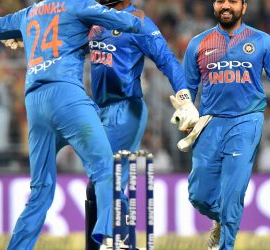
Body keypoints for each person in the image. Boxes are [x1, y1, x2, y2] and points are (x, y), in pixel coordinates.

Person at [0, 1, 144, 249]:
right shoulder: (78, 5)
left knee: (41, 189)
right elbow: (128, 22)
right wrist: (135, 18)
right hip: (67, 98)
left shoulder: (28, 13)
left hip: (35, 103)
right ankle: (112, 239)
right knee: (105, 168)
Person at [181, 0, 270, 249]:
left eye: (233, 1)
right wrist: (186, 114)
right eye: (220, 1)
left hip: (246, 121)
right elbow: (187, 89)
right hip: (209, 123)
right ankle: (222, 219)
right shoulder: (198, 43)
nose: (226, 6)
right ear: (214, 6)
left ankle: (226, 244)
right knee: (199, 196)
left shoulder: (262, 41)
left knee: (233, 192)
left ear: (244, 7)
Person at [84, 0, 199, 248]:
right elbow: (67, 38)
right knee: (95, 189)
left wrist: (184, 97)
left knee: (109, 180)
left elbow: (167, 59)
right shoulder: (95, 16)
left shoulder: (137, 21)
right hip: (99, 110)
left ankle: (119, 243)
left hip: (126, 109)